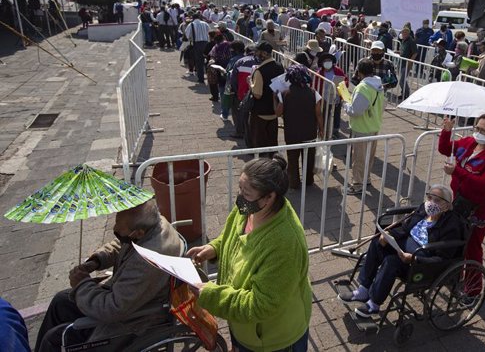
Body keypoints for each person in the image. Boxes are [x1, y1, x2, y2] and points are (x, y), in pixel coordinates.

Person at [188, 156, 311, 352]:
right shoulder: (248, 208)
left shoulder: (284, 242)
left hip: (272, 340)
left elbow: (261, 305)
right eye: (240, 188)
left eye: (246, 193)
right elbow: (231, 236)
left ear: (269, 197)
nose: (239, 196)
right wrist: (214, 248)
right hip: (245, 327)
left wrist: (212, 295)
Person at [35, 200, 184, 352]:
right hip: (128, 297)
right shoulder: (154, 222)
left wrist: (82, 284)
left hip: (132, 323)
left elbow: (112, 309)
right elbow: (121, 244)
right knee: (61, 300)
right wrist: (96, 260)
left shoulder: (146, 262)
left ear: (139, 233)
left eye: (119, 231)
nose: (115, 229)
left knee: (54, 339)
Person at [338, 184, 463, 317]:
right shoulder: (423, 209)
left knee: (391, 262)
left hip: (420, 262)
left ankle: (373, 304)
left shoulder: (451, 226)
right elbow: (405, 228)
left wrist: (415, 259)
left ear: (447, 205)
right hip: (404, 247)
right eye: (430, 197)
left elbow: (442, 258)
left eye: (437, 200)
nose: (431, 203)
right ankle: (363, 289)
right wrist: (389, 235)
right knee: (377, 242)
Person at [438, 113, 485, 271]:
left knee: (472, 248)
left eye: (484, 131)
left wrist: (457, 171)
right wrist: (447, 131)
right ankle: (453, 277)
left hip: (478, 210)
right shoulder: (470, 142)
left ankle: (473, 291)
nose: (479, 133)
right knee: (454, 240)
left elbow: (484, 185)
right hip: (459, 201)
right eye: (477, 128)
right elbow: (445, 149)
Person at [275, 65, 324, 188]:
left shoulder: (284, 93)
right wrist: (321, 129)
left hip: (292, 133)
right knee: (309, 159)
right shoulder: (314, 93)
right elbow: (318, 114)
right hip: (309, 132)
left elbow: (278, 113)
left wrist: (274, 99)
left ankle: (294, 182)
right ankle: (308, 180)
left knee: (292, 159)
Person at [344, 59, 385, 195]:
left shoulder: (363, 87)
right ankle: (365, 179)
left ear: (359, 72)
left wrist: (346, 105)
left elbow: (356, 111)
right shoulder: (378, 85)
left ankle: (357, 184)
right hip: (373, 125)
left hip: (362, 127)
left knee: (359, 158)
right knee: (369, 156)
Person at [249, 41, 285, 154]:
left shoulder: (259, 71)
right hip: (274, 112)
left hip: (260, 113)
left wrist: (250, 83)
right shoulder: (279, 66)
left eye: (257, 52)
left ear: (264, 53)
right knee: (272, 144)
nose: (255, 54)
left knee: (259, 145)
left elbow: (257, 94)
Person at [228, 44, 259, 137]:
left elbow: (233, 79)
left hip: (241, 93)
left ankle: (240, 132)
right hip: (256, 93)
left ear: (246, 52)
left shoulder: (239, 62)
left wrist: (237, 90)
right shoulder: (261, 62)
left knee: (238, 112)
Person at [317, 53, 349, 137]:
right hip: (324, 98)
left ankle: (335, 130)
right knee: (324, 114)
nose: (328, 62)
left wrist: (342, 87)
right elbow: (316, 85)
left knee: (336, 114)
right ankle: (322, 129)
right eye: (325, 61)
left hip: (336, 96)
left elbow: (345, 81)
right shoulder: (319, 72)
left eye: (329, 61)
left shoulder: (338, 70)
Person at [221, 41, 246, 122]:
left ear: (236, 50)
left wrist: (223, 72)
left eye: (231, 49)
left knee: (225, 96)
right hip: (244, 86)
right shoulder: (246, 59)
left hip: (233, 86)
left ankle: (225, 114)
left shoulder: (234, 60)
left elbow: (228, 73)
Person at [185, 13, 212, 84]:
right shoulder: (205, 24)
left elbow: (187, 35)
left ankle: (201, 79)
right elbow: (210, 33)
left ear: (193, 18)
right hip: (206, 43)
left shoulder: (191, 24)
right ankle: (210, 78)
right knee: (208, 61)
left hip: (197, 44)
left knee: (199, 62)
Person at [207, 34, 233, 102]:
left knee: (216, 83)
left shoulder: (215, 47)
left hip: (218, 66)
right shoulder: (230, 44)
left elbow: (212, 56)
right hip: (230, 66)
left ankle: (216, 97)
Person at [398, 27, 418, 100]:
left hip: (407, 63)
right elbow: (403, 51)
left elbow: (415, 53)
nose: (402, 34)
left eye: (404, 33)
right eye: (402, 33)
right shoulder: (404, 40)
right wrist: (397, 52)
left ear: (407, 33)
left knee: (402, 81)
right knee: (402, 80)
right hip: (402, 62)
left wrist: (410, 61)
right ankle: (403, 93)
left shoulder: (411, 41)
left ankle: (407, 93)